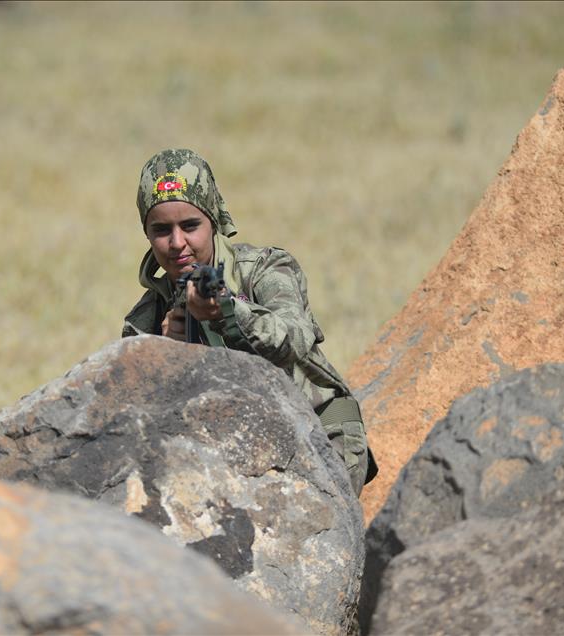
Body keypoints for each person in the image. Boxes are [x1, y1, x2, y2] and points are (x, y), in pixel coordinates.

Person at [122, 148, 377, 497]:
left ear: (213, 222)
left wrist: (227, 312)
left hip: (318, 431)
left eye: (191, 226)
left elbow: (294, 339)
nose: (177, 243)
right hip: (235, 446)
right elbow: (134, 412)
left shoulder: (265, 270)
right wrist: (166, 357)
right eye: (162, 230)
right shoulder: (146, 318)